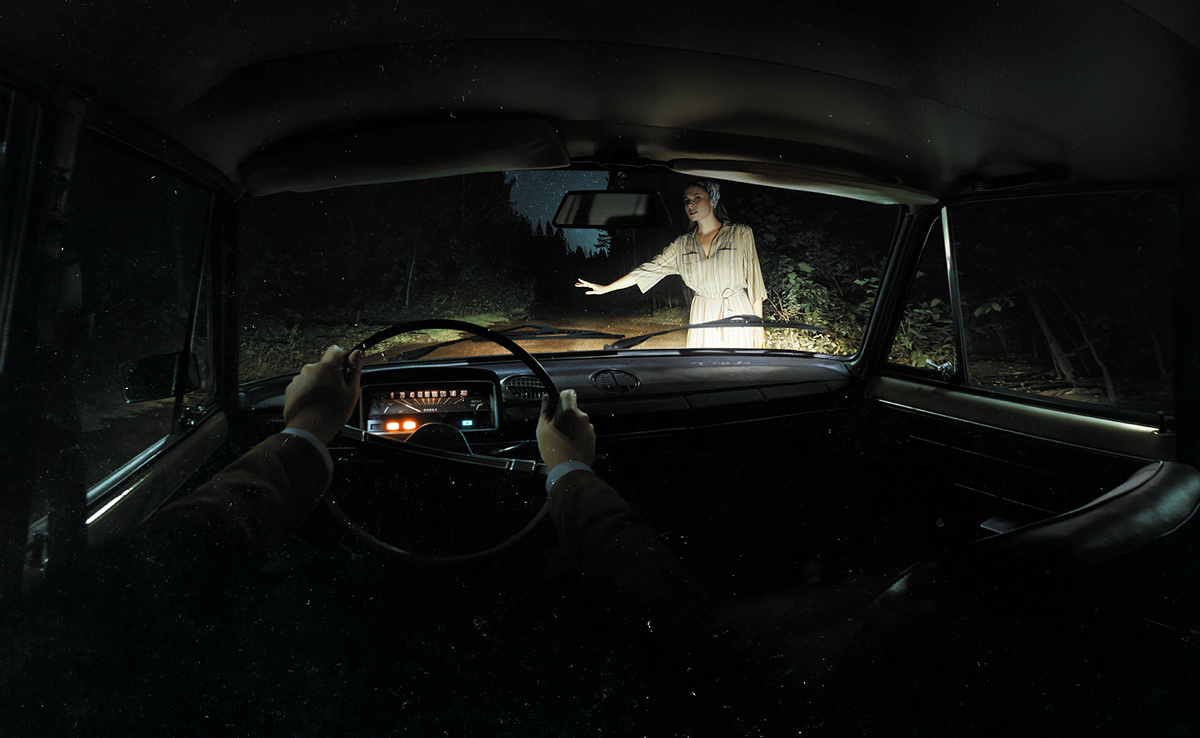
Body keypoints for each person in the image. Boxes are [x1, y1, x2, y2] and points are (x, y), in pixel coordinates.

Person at [575, 180, 767, 348]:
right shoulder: (682, 244)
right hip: (703, 313)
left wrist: (758, 326)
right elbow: (648, 269)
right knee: (706, 369)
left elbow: (755, 283)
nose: (690, 204)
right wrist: (607, 288)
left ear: (713, 200)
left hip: (737, 310)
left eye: (697, 197)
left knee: (740, 368)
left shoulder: (740, 233)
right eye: (686, 200)